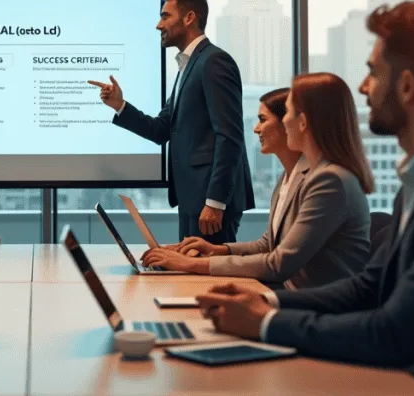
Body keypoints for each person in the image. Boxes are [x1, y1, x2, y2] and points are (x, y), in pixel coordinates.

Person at [195, 1, 414, 395]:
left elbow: (395, 335)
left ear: (408, 86)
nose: (363, 88)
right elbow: (369, 287)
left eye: (373, 73)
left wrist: (264, 324)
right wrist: (266, 304)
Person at [143, 78, 372, 289]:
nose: (255, 128)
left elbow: (279, 263)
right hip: (293, 296)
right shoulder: (290, 177)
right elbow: (268, 245)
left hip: (316, 309)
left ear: (302, 122)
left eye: (266, 119)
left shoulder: (329, 181)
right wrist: (215, 250)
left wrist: (189, 264)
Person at [90, 0, 253, 244]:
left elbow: (230, 136)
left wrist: (216, 201)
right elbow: (160, 130)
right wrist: (120, 105)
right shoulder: (188, 67)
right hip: (193, 198)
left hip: (210, 203)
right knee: (190, 276)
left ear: (189, 18)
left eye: (165, 16)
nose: (158, 25)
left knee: (206, 279)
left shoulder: (213, 62)